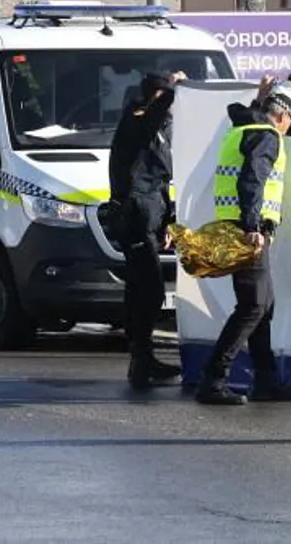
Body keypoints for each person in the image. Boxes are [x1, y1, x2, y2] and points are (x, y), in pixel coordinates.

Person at [196, 85, 291, 406]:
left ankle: (266, 380)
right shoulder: (267, 136)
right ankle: (213, 378)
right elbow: (251, 179)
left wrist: (258, 95)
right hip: (246, 229)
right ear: (281, 117)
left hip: (239, 226)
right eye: (288, 125)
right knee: (253, 305)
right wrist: (252, 225)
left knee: (263, 306)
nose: (286, 132)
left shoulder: (242, 127)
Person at [108, 71, 187, 389]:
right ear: (155, 96)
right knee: (149, 290)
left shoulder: (161, 128)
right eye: (166, 100)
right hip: (135, 215)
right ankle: (141, 359)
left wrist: (168, 219)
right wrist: (173, 91)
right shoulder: (137, 117)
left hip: (151, 214)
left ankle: (142, 360)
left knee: (143, 290)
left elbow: (161, 178)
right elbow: (149, 121)